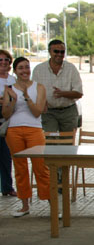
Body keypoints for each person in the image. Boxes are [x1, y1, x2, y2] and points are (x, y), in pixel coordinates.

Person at [2, 57, 50, 217]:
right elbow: (5, 114)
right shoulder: (9, 89)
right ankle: (24, 205)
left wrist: (26, 96)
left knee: (40, 167)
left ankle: (51, 203)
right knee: (20, 167)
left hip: (34, 129)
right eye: (21, 68)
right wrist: (12, 101)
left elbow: (37, 111)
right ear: (15, 71)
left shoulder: (39, 87)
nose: (25, 71)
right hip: (14, 130)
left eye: (27, 67)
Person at [32, 39, 83, 132]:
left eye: (62, 52)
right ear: (49, 52)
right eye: (56, 51)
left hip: (68, 111)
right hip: (48, 112)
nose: (59, 54)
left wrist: (63, 94)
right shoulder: (38, 70)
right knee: (51, 141)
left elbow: (79, 94)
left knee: (68, 142)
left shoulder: (71, 69)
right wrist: (41, 102)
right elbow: (34, 92)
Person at [0, 49, 17, 197]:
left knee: (6, 156)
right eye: (0, 60)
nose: (3, 63)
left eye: (6, 60)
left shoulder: (13, 81)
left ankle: (7, 187)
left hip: (8, 120)